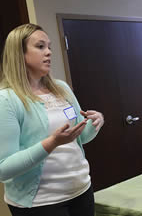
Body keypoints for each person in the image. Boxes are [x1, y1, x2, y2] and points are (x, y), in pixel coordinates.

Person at [0, 23, 104, 216]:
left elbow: (79, 137)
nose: (48, 52)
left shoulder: (61, 88)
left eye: (49, 47)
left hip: (81, 191)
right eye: (40, 47)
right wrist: (52, 142)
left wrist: (95, 122)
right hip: (41, 204)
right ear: (19, 53)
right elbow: (4, 168)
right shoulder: (7, 100)